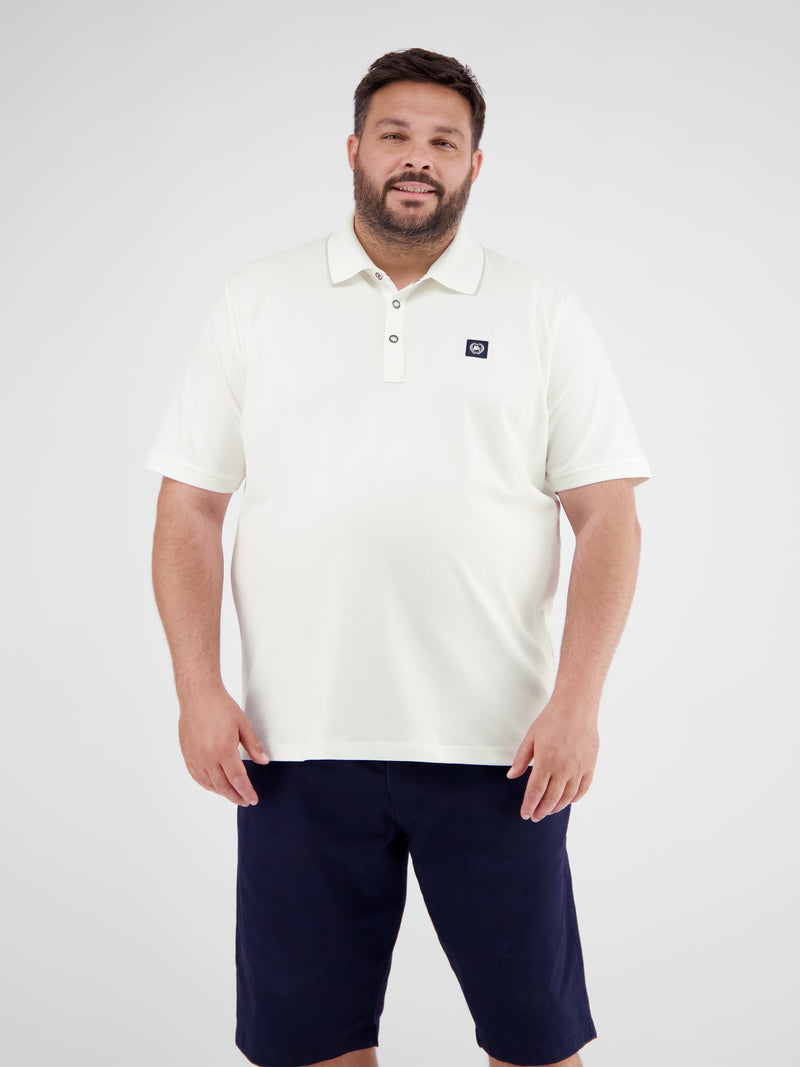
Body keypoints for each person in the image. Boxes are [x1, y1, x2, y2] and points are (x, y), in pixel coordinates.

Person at [147, 46, 650, 1067]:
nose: (417, 159)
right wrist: (197, 688)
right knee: (309, 1047)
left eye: (442, 142)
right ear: (353, 150)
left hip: (501, 750)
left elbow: (608, 516)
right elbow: (190, 506)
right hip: (293, 746)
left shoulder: (538, 308)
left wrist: (577, 703)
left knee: (536, 1043)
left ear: (473, 165)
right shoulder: (258, 298)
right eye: (395, 135)